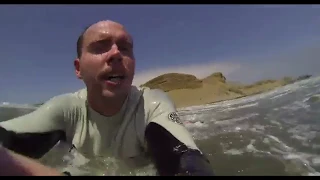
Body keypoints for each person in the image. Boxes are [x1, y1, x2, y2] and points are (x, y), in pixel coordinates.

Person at [0, 20, 214, 176]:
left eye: (125, 48)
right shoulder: (66, 109)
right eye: (101, 47)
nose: (116, 54)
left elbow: (188, 163)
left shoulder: (151, 103)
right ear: (78, 69)